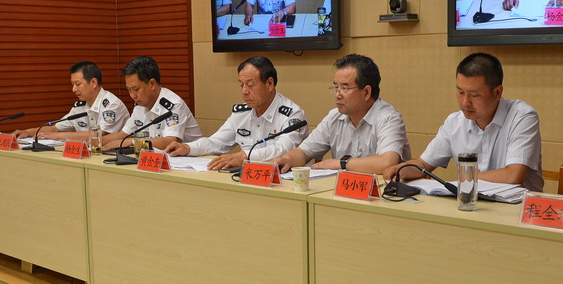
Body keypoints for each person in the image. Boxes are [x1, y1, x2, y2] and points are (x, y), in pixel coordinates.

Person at [383, 52, 543, 191]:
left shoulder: (522, 117)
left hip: (516, 209)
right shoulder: (454, 122)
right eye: (460, 92)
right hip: (471, 205)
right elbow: (423, 164)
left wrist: (462, 180)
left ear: (497, 92)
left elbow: (513, 175)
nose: (465, 102)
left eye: (474, 95)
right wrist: (401, 169)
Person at [271, 54, 410, 174]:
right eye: (336, 87)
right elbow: (303, 152)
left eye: (344, 88)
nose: (337, 95)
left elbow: (387, 162)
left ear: (366, 92)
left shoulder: (388, 118)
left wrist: (341, 164)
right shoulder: (334, 117)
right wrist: (287, 159)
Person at [165, 56, 308, 169]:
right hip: (248, 177)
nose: (244, 91)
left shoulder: (293, 115)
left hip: (284, 181)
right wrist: (188, 148)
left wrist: (243, 156)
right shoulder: (241, 113)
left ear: (269, 84)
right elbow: (216, 142)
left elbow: (283, 149)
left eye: (250, 85)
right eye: (241, 85)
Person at [102, 56, 202, 151]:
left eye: (136, 89)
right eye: (129, 90)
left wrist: (133, 142)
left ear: (152, 84)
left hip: (189, 159)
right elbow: (123, 135)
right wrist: (96, 142)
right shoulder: (139, 106)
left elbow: (170, 141)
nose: (132, 95)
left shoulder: (174, 105)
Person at [14, 61, 129, 141]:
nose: (73, 89)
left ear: (93, 82)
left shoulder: (111, 104)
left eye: (78, 84)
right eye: (72, 84)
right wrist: (28, 132)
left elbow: (98, 135)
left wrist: (54, 136)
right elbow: (55, 128)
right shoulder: (80, 106)